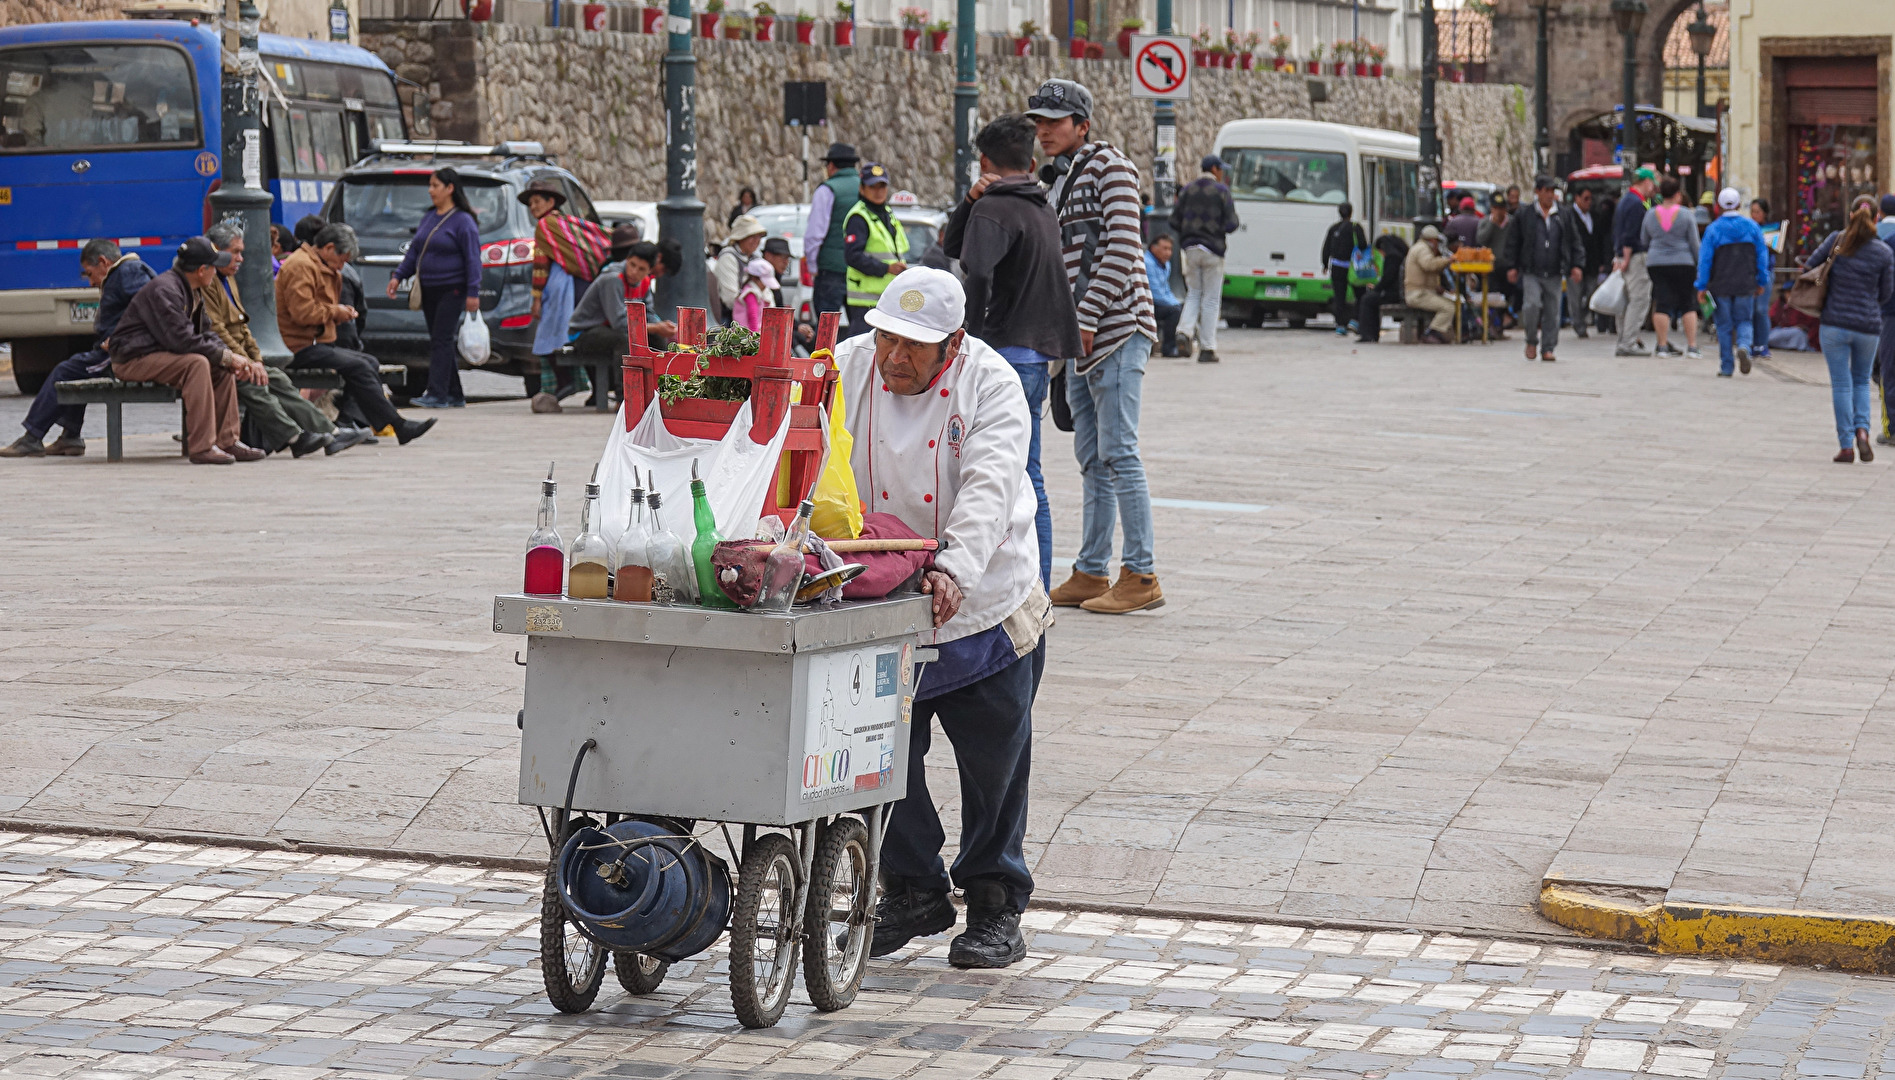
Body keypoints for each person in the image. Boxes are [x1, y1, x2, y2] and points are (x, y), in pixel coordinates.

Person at [838, 267, 1049, 970]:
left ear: (952, 345)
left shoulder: (991, 384)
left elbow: (989, 486)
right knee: (879, 752)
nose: (893, 359)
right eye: (886, 340)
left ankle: (995, 902)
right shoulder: (847, 365)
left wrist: (954, 568)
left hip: (983, 597)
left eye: (913, 348)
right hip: (882, 595)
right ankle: (912, 886)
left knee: (993, 765)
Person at [1027, 77, 1162, 615]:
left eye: (1054, 122)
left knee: (1120, 452)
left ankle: (1142, 572)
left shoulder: (1113, 168)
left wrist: (1083, 319)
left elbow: (1125, 247)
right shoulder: (1058, 180)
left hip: (1116, 331)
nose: (1043, 131)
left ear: (1082, 125)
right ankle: (1090, 569)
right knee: (1092, 459)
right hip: (1079, 342)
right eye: (1038, 122)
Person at [941, 112, 1084, 591]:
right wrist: (970, 201)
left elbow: (973, 269)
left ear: (984, 160)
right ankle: (1036, 583)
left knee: (1005, 477)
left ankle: (1025, 585)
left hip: (1003, 355)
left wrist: (970, 336)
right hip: (1037, 354)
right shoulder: (1037, 204)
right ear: (1030, 159)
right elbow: (958, 244)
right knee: (1028, 475)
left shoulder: (996, 209)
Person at [199, 223, 364, 457]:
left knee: (277, 378)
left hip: (237, 355)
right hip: (218, 356)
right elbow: (217, 331)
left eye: (241, 252)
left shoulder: (225, 278)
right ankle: (294, 437)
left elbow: (242, 328)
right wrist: (247, 361)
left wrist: (255, 359)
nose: (240, 259)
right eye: (235, 252)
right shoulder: (207, 281)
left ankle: (330, 433)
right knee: (253, 383)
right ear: (216, 250)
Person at [106, 237, 266, 465]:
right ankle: (202, 447)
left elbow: (207, 333)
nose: (217, 272)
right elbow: (182, 340)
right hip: (132, 358)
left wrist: (229, 358)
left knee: (220, 366)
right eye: (213, 266)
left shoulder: (192, 289)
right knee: (197, 363)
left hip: (161, 353)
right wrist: (227, 356)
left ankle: (228, 440)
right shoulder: (165, 290)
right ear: (202, 270)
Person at [278, 223, 435, 445]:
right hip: (298, 346)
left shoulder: (321, 265)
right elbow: (303, 312)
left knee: (368, 361)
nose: (343, 265)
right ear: (329, 248)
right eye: (342, 259)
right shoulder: (301, 266)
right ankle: (397, 425)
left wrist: (339, 311)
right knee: (359, 365)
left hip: (317, 341)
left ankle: (354, 421)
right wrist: (337, 312)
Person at [2, 239, 155, 458]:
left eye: (90, 273)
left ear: (103, 262)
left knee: (65, 372)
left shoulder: (128, 272)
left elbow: (149, 305)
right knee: (76, 367)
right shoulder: (125, 273)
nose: (92, 282)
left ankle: (32, 437)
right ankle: (70, 436)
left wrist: (124, 336)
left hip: (120, 353)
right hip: (117, 348)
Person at [1806, 197, 1895, 463]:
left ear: (1851, 213)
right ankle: (1863, 433)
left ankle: (1846, 445)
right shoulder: (1882, 251)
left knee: (1841, 384)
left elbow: (1811, 265)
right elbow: (1886, 293)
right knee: (1861, 381)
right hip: (1868, 325)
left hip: (1834, 322)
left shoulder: (1837, 241)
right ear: (1875, 217)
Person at [387, 167, 483, 409]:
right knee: (440, 339)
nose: (430, 191)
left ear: (450, 189)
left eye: (435, 186)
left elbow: (473, 259)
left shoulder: (463, 221)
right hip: (429, 288)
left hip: (453, 289)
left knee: (440, 339)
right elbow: (415, 251)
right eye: (429, 186)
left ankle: (437, 393)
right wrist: (399, 276)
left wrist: (473, 292)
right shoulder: (429, 217)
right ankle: (454, 393)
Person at [522, 177, 610, 412]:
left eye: (537, 201)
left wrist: (536, 297)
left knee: (551, 335)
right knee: (580, 334)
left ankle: (565, 382)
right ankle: (596, 391)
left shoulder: (545, 226)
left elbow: (541, 266)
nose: (533, 207)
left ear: (551, 202)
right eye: (530, 203)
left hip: (560, 287)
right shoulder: (565, 223)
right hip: (580, 284)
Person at [568, 235, 680, 394]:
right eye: (632, 264)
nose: (634, 272)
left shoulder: (645, 283)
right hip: (584, 333)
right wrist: (655, 327)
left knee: (657, 339)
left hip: (611, 331)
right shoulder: (613, 279)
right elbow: (619, 323)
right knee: (626, 340)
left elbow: (648, 313)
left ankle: (661, 389)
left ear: (649, 270)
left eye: (641, 269)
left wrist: (662, 326)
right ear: (627, 259)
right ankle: (626, 396)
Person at [1501, 176, 1584, 363]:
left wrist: (1576, 265)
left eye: (1552, 191)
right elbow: (1513, 242)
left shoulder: (1563, 214)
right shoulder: (1525, 215)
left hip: (1555, 271)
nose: (1549, 195)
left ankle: (1548, 347)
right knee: (1532, 305)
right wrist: (1512, 266)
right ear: (1537, 192)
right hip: (1532, 270)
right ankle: (1531, 340)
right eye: (1545, 191)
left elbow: (1574, 241)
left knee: (1553, 312)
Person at [1695, 187, 1772, 378]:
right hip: (1745, 282)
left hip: (1721, 284)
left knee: (1724, 325)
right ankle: (1745, 346)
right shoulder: (1752, 227)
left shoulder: (1713, 229)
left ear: (1719, 206)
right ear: (1738, 204)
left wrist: (1701, 285)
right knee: (1745, 320)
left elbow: (1705, 260)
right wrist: (1762, 280)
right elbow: (1761, 256)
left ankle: (1727, 366)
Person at [1168, 154, 1240, 361]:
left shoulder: (1187, 190)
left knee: (1193, 293)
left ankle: (1184, 330)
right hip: (1213, 250)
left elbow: (1174, 220)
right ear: (1215, 169)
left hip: (1190, 248)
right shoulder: (1221, 191)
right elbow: (1232, 223)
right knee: (1210, 298)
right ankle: (1207, 348)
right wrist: (1216, 228)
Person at [842, 162, 911, 340]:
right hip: (865, 301)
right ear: (862, 188)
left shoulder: (887, 212)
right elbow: (853, 256)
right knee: (862, 350)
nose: (878, 191)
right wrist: (886, 268)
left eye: (882, 186)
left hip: (887, 298)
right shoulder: (859, 217)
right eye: (873, 186)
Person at [1642, 177, 1701, 358]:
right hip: (1683, 262)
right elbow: (1694, 242)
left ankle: (1661, 346)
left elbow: (1644, 240)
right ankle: (1692, 346)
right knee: (1687, 303)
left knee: (1662, 301)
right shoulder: (1686, 214)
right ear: (1677, 194)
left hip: (1657, 262)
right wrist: (1699, 264)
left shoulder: (1650, 214)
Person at [804, 143, 861, 318]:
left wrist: (812, 265)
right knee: (861, 330)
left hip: (831, 269)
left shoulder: (827, 190)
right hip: (860, 269)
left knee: (826, 327)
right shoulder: (866, 189)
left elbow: (815, 234)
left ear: (831, 166)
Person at [1613, 166, 1658, 355]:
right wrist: (1626, 257)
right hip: (1636, 257)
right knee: (1639, 299)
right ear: (1646, 182)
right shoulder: (1636, 204)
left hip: (1624, 256)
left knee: (1626, 300)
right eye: (1652, 184)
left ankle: (1624, 338)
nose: (1653, 189)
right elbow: (1630, 235)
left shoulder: (1625, 201)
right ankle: (1628, 342)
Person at [1319, 202, 1369, 338]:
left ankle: (1340, 326)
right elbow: (1363, 246)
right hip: (1353, 268)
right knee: (1360, 295)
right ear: (1351, 212)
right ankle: (1355, 320)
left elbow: (1326, 248)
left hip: (1336, 267)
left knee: (1339, 297)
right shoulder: (1356, 227)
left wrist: (1324, 264)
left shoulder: (1333, 228)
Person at [1565, 187, 1608, 339]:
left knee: (1592, 293)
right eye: (1585, 199)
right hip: (1575, 263)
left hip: (1592, 263)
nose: (1588, 202)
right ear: (1577, 198)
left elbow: (1598, 239)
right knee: (1575, 297)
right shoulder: (1569, 216)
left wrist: (1601, 260)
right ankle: (1579, 324)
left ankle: (1583, 316)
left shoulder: (1593, 216)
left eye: (1590, 199)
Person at [1403, 225, 1456, 344]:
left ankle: (1436, 331)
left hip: (1421, 292)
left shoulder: (1420, 247)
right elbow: (1429, 265)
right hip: (1418, 294)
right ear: (1432, 240)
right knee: (1449, 307)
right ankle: (1432, 332)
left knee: (1450, 303)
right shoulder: (1422, 249)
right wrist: (1447, 260)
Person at [1353, 231, 1410, 343]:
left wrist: (1376, 288)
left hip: (1394, 294)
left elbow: (1387, 279)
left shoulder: (1392, 257)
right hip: (1399, 292)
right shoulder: (1400, 254)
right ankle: (1372, 334)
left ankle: (1368, 334)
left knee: (1367, 300)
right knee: (1371, 298)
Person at [714, 214, 768, 321]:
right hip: (731, 318)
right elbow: (730, 298)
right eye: (752, 236)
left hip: (755, 314)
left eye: (758, 236)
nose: (756, 240)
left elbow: (766, 291)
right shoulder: (728, 257)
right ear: (741, 237)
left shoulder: (755, 258)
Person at [1147, 234, 1182, 356]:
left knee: (1177, 308)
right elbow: (1155, 292)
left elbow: (1166, 289)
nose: (1168, 253)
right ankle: (1168, 348)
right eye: (1164, 248)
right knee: (1173, 311)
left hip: (1159, 301)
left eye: (1170, 249)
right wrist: (1175, 306)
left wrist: (1177, 303)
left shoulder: (1166, 264)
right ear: (1153, 248)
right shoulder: (1148, 263)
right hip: (1148, 303)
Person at [731, 257, 775, 332]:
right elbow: (753, 319)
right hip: (747, 336)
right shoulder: (750, 294)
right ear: (754, 278)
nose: (765, 286)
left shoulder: (760, 293)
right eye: (764, 282)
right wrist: (755, 339)